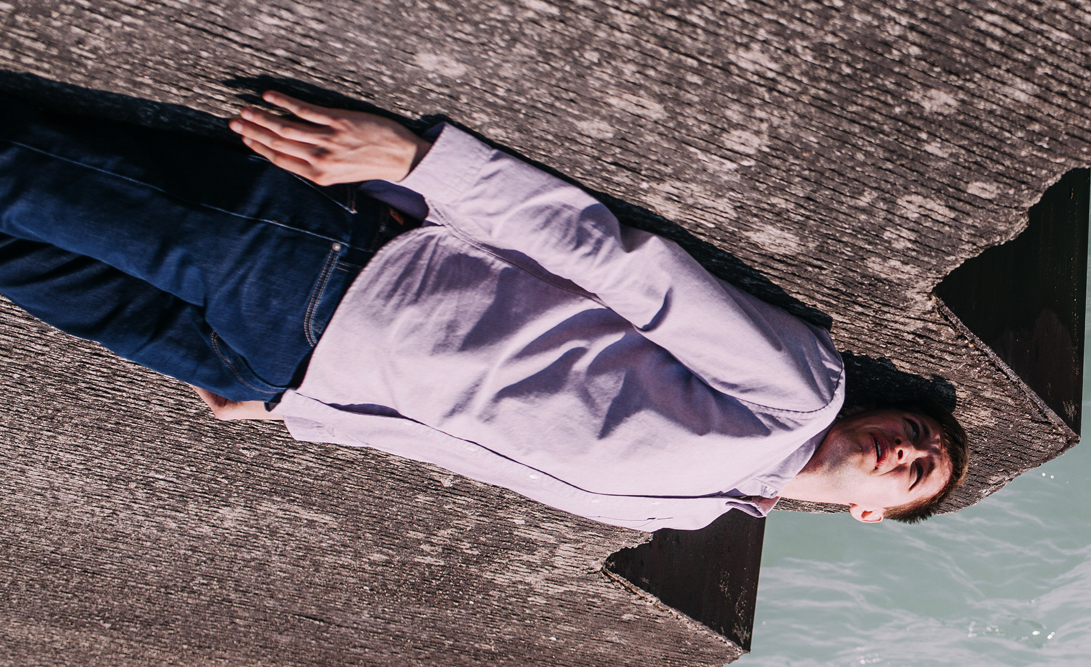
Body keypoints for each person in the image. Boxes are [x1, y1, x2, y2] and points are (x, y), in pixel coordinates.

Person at [0, 87, 968, 529]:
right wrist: (421, 162)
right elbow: (629, 267)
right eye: (920, 434)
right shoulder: (800, 393)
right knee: (19, 173)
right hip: (321, 274)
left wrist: (296, 413)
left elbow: (470, 441)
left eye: (915, 475)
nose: (907, 451)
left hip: (264, 367)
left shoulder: (692, 513)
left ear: (869, 513)